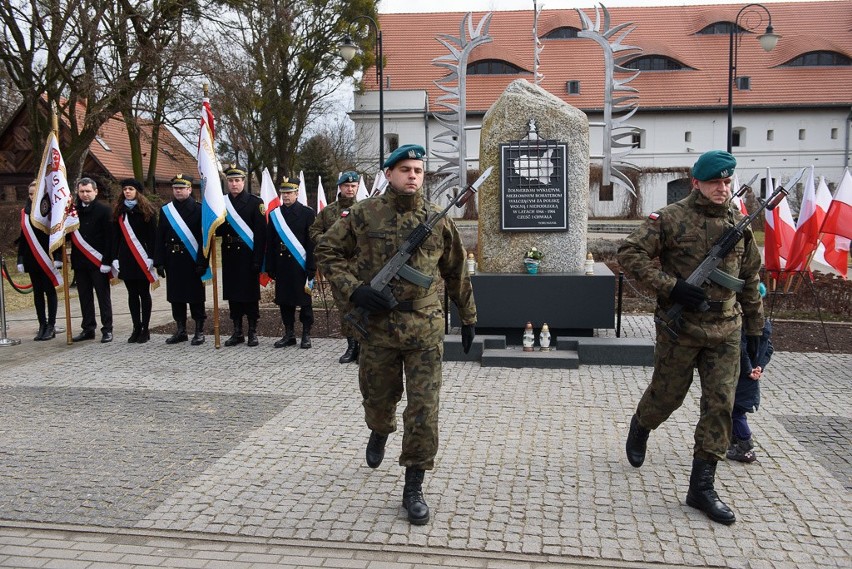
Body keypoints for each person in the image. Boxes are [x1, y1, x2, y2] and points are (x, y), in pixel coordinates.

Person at [315, 144, 477, 525]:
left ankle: (413, 486)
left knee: (424, 411)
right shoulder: (363, 214)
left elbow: (456, 271)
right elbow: (327, 249)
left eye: (418, 170)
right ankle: (379, 429)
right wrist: (355, 289)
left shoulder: (436, 219)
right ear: (388, 174)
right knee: (378, 397)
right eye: (404, 169)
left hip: (425, 331)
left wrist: (468, 317)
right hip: (378, 330)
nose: (413, 176)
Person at [617, 150, 763, 525]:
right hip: (680, 329)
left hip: (726, 330)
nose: (723, 188)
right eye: (716, 181)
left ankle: (701, 487)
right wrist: (672, 287)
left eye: (727, 182)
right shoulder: (670, 218)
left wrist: (755, 332)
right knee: (667, 397)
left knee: (719, 406)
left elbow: (750, 280)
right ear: (696, 182)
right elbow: (630, 254)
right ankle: (642, 424)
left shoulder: (738, 224)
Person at [309, 170, 360, 363]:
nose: (350, 189)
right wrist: (328, 240)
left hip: (360, 266)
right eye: (346, 186)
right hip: (338, 267)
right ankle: (351, 346)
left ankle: (363, 346)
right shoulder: (329, 211)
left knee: (361, 305)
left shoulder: (364, 209)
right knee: (344, 307)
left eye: (353, 186)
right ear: (340, 187)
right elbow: (314, 230)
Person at [154, 174, 208, 345]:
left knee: (196, 297)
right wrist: (159, 261)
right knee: (176, 297)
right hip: (173, 260)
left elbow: (204, 239)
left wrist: (202, 262)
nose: (178, 191)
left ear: (189, 189)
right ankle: (181, 330)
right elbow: (160, 236)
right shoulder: (166, 210)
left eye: (182, 188)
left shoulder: (200, 210)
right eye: (176, 188)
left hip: (192, 260)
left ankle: (199, 330)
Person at [218, 165, 266, 347]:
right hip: (230, 255)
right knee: (233, 296)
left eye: (237, 180)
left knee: (250, 296)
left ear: (243, 182)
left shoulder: (255, 202)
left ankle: (252, 331)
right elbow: (218, 229)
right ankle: (237, 332)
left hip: (248, 255)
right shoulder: (221, 203)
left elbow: (261, 235)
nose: (234, 184)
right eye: (230, 181)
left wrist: (257, 259)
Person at [266, 175, 316, 349]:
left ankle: (306, 334)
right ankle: (289, 334)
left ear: (297, 193)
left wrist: (311, 266)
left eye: (290, 192)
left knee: (304, 301)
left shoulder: (307, 213)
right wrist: (270, 265)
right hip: (282, 265)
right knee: (285, 301)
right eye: (283, 193)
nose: (286, 196)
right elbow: (270, 242)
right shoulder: (275, 215)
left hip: (300, 265)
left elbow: (311, 243)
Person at [729, 285, 773, 463]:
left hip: (743, 375)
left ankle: (746, 448)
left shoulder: (743, 324)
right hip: (752, 374)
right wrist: (759, 367)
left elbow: (741, 349)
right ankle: (733, 441)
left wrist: (749, 370)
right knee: (735, 410)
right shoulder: (763, 323)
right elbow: (769, 349)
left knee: (736, 412)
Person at [69, 177, 114, 343]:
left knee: (103, 296)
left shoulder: (104, 210)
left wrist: (108, 261)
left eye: (88, 191)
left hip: (98, 261)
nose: (85, 194)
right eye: (81, 191)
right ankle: (88, 328)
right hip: (80, 261)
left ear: (95, 191)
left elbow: (110, 238)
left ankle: (107, 329)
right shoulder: (72, 211)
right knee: (84, 296)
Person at [112, 178, 158, 343]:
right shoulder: (119, 211)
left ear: (137, 191)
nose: (127, 192)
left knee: (144, 293)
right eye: (125, 189)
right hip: (126, 258)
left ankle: (145, 328)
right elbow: (115, 237)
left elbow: (153, 236)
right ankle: (136, 327)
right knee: (132, 294)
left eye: (130, 189)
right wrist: (114, 257)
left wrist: (152, 257)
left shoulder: (147, 211)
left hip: (143, 257)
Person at [15, 180, 61, 341]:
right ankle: (42, 324)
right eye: (30, 194)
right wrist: (20, 258)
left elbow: (56, 236)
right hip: (31, 258)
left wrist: (58, 257)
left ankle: (51, 325)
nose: (32, 196)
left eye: (35, 194)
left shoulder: (49, 212)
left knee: (49, 291)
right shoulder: (24, 212)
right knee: (37, 293)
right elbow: (23, 237)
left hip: (47, 258)